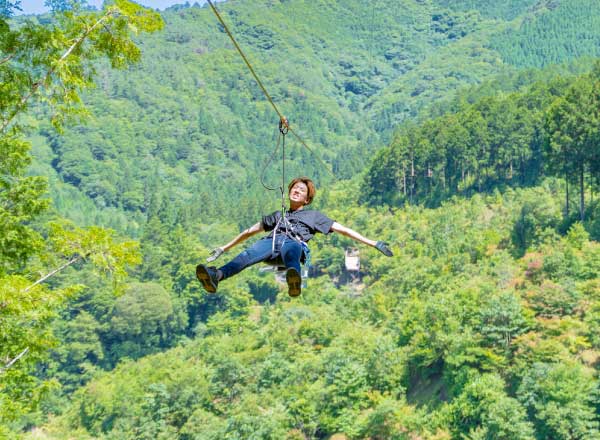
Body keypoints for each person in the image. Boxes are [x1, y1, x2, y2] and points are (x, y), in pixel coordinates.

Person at [196, 177, 393, 297]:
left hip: (293, 246)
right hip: (271, 245)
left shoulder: (314, 217)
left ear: (307, 200)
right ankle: (217, 276)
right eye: (294, 188)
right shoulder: (277, 215)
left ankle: (294, 279)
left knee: (293, 248)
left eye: (301, 190)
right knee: (248, 253)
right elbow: (248, 231)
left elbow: (345, 230)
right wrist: (224, 248)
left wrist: (373, 243)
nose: (296, 190)